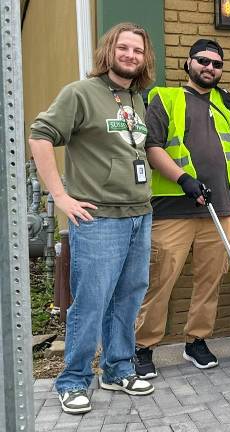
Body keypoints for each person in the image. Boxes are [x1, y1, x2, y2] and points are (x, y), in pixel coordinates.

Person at [28, 23, 156, 415]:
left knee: (129, 296)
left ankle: (117, 369)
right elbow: (40, 135)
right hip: (99, 219)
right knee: (91, 301)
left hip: (139, 214)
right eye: (123, 48)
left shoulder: (137, 99)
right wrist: (60, 195)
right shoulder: (81, 93)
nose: (130, 55)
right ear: (108, 51)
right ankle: (73, 379)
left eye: (137, 49)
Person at [133, 39, 230, 377]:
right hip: (173, 209)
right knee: (160, 280)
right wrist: (183, 179)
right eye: (203, 60)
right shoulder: (164, 97)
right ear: (188, 63)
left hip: (221, 209)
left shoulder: (226, 101)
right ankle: (143, 345)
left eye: (216, 63)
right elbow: (152, 147)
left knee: (211, 279)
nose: (209, 67)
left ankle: (196, 340)